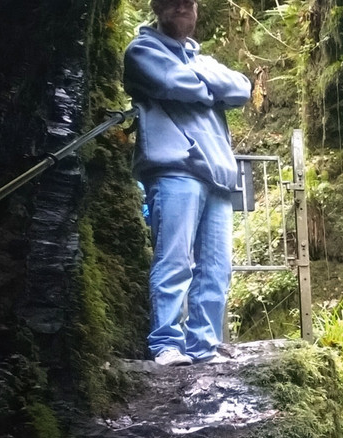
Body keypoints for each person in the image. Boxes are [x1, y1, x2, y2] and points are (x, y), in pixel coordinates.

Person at [124, 0, 251, 366]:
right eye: (174, 2)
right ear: (157, 8)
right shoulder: (142, 51)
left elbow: (241, 88)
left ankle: (204, 345)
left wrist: (202, 81)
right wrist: (213, 88)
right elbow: (173, 83)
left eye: (189, 4)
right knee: (175, 259)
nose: (182, 8)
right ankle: (166, 343)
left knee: (216, 267)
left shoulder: (203, 59)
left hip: (218, 175)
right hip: (174, 168)